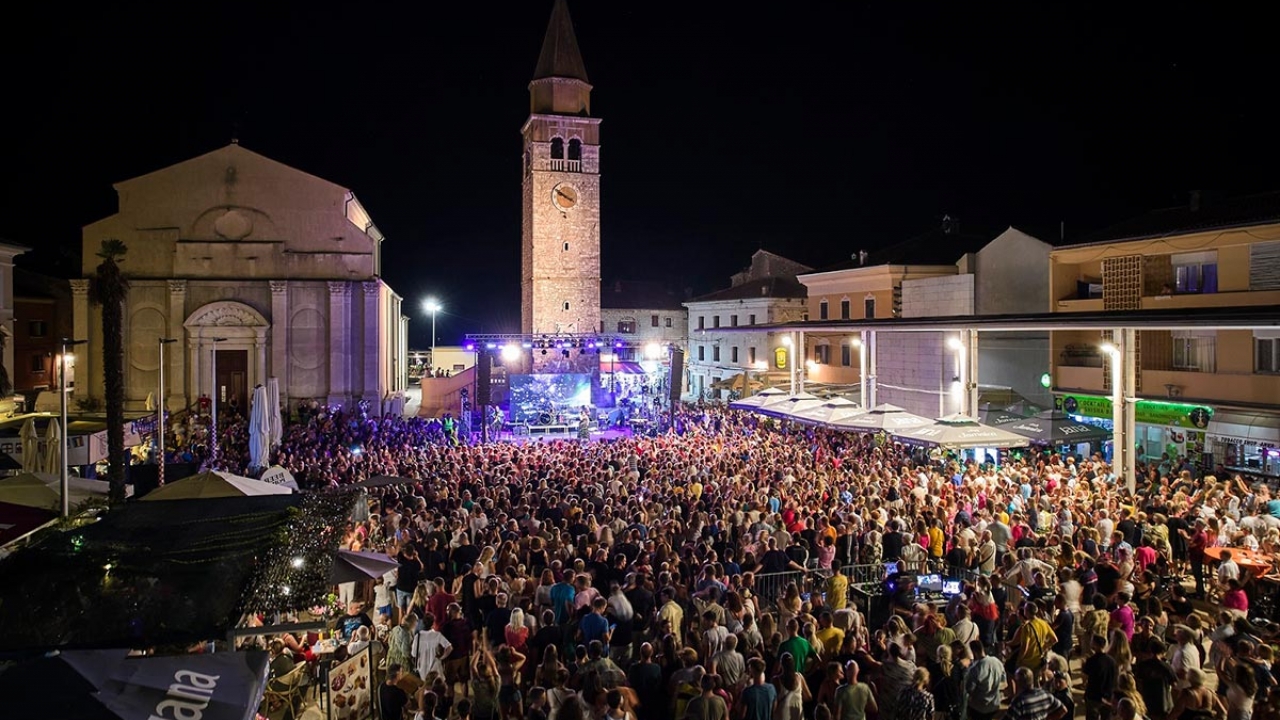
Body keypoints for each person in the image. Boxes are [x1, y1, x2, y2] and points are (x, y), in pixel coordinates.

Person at [965, 640, 1006, 720]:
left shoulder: (975, 668)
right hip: (994, 704)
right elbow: (1003, 680)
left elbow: (969, 689)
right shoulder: (997, 661)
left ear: (974, 652)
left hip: (979, 706)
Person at [1082, 634, 1118, 720]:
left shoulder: (1091, 660)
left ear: (1095, 644)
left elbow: (1084, 679)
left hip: (1093, 696)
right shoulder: (1112, 661)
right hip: (1108, 696)